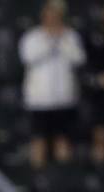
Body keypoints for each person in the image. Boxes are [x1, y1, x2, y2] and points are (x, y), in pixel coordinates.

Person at [19, 1, 85, 169]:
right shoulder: (32, 37)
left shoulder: (70, 36)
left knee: (62, 139)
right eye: (49, 15)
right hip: (40, 99)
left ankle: (64, 178)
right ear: (43, 16)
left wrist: (61, 39)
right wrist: (50, 40)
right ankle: (38, 178)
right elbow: (28, 57)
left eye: (56, 15)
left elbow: (78, 58)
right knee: (38, 139)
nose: (52, 18)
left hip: (64, 98)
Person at [85, 2, 104, 164]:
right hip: (102, 94)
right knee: (102, 135)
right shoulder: (95, 36)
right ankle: (100, 175)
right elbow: (88, 65)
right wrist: (101, 78)